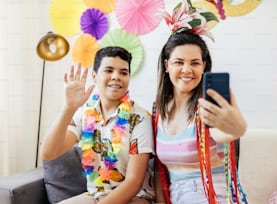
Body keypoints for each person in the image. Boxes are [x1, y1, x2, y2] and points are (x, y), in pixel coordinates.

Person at [153, 1, 248, 204]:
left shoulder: (209, 104)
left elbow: (224, 133)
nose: (187, 70)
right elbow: (158, 175)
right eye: (179, 62)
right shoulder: (157, 111)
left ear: (204, 66)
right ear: (166, 65)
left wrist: (236, 127)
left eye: (195, 63)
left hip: (216, 198)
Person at [40, 46, 155, 204]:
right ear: (94, 76)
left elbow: (133, 182)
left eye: (123, 72)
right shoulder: (84, 114)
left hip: (135, 197)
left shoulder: (140, 118)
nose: (116, 76)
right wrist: (69, 108)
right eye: (109, 70)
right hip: (95, 196)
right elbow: (48, 153)